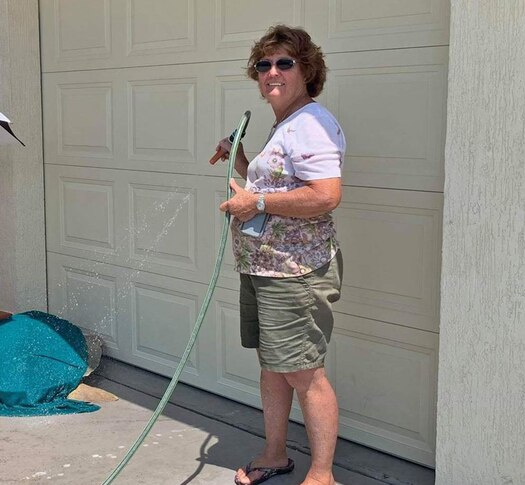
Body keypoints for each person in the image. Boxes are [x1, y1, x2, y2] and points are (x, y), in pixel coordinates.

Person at [210, 25, 344, 485]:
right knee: (274, 366)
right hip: (265, 269)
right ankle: (274, 454)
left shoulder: (311, 122)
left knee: (304, 371)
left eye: (284, 62)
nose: (272, 71)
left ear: (306, 70)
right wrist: (244, 161)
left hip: (295, 273)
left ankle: (322, 475)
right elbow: (279, 185)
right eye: (265, 64)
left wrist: (257, 202)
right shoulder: (286, 124)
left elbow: (326, 195)